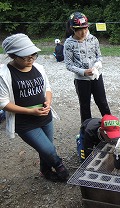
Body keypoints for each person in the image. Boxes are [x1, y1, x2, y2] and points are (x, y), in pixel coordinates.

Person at [0, 33, 69, 182]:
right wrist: (30, 111)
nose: (31, 59)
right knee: (49, 150)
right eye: (25, 56)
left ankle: (44, 170)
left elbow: (47, 88)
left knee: (45, 147)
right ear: (13, 56)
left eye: (33, 55)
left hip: (45, 116)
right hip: (25, 122)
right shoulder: (4, 74)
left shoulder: (38, 67)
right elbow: (3, 103)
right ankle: (60, 167)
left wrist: (48, 102)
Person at [64, 12, 111, 123]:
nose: (83, 32)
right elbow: (69, 65)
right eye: (79, 29)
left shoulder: (93, 39)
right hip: (81, 80)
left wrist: (98, 64)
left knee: (102, 102)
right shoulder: (69, 43)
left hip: (96, 76)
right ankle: (86, 129)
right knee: (85, 105)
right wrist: (84, 72)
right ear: (72, 28)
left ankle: (111, 126)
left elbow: (99, 55)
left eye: (85, 28)